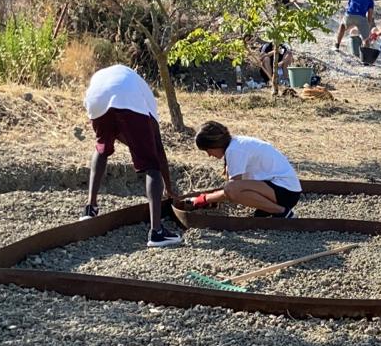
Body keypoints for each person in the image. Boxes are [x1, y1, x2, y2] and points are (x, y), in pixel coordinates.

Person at [81, 64, 185, 248]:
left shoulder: (116, 77)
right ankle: (157, 232)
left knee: (101, 148)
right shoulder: (146, 103)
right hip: (125, 95)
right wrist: (169, 189)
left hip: (95, 99)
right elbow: (157, 151)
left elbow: (123, 133)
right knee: (151, 165)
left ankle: (90, 208)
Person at [184, 121, 302, 218]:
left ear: (214, 144)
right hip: (282, 189)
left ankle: (282, 212)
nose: (209, 155)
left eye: (207, 150)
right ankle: (270, 209)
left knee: (231, 188)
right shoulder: (236, 144)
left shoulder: (234, 150)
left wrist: (204, 199)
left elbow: (232, 190)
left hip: (286, 192)